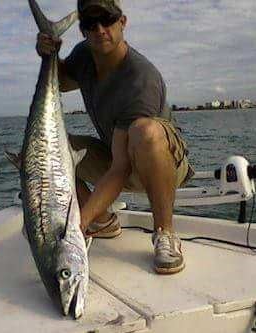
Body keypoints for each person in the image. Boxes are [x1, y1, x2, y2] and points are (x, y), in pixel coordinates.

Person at [34, 0, 194, 274]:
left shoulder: (140, 77)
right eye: (90, 24)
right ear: (83, 30)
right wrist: (48, 55)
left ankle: (165, 233)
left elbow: (121, 169)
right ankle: (104, 221)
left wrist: (75, 228)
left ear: (122, 22)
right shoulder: (85, 55)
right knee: (51, 152)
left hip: (159, 163)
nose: (100, 29)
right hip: (117, 155)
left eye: (107, 19)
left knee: (145, 133)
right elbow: (62, 81)